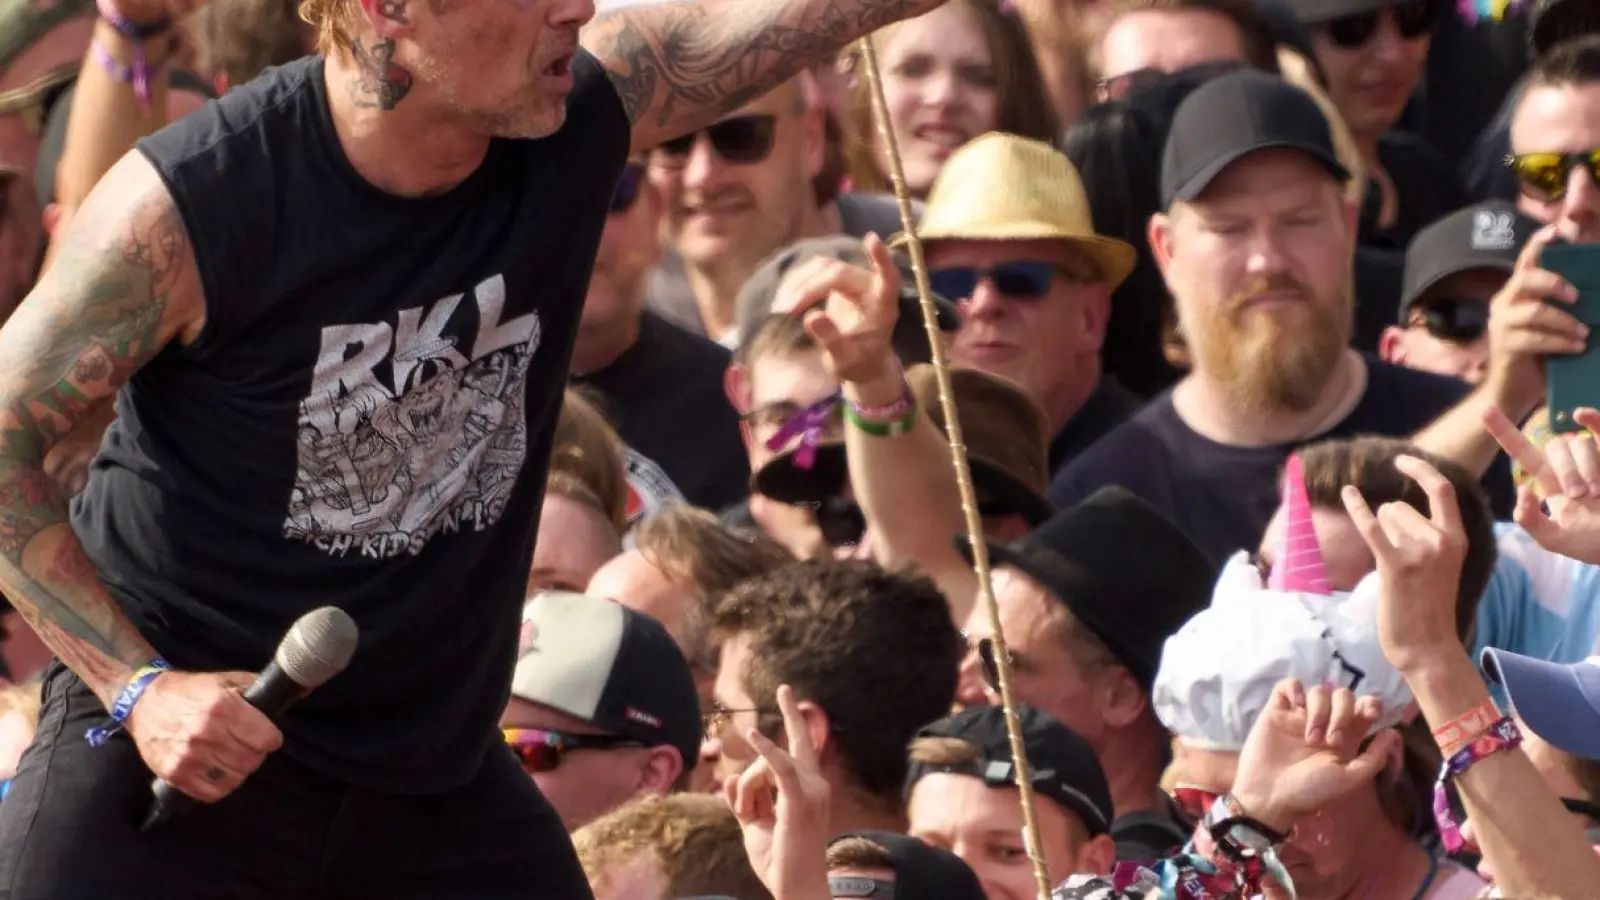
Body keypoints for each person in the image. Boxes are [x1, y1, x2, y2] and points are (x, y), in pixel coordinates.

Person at [0, 0, 949, 893]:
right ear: (389, 11)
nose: (576, 9)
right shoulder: (194, 202)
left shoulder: (581, 107)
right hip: (180, 755)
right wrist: (139, 689)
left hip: (433, 778)